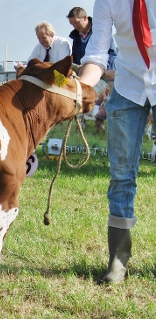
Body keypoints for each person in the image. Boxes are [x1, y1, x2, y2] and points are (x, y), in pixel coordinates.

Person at [79, 0, 155, 283]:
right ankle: (118, 260)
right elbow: (98, 53)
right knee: (121, 174)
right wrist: (81, 89)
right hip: (128, 84)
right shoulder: (107, 1)